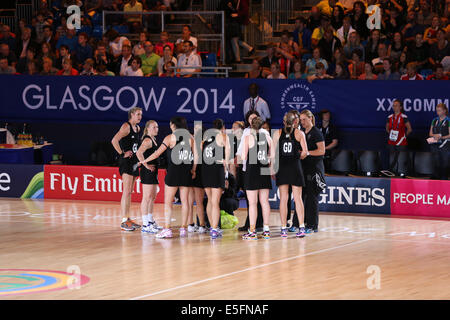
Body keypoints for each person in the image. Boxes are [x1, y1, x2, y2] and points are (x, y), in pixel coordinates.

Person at [139, 116, 196, 238]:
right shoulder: (190, 137)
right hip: (186, 171)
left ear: (173, 125)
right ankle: (183, 229)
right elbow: (196, 156)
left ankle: (167, 229)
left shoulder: (170, 138)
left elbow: (156, 153)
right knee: (185, 202)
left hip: (173, 172)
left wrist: (144, 161)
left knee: (168, 202)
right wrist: (194, 169)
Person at [273, 112, 309, 238]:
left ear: (284, 122)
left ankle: (283, 228)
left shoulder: (277, 133)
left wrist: (273, 168)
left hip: (282, 168)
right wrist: (297, 156)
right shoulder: (299, 134)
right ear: (295, 122)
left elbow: (272, 154)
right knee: (298, 198)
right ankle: (302, 227)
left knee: (283, 198)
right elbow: (305, 153)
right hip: (295, 167)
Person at [241, 116, 273, 240]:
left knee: (252, 203)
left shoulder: (248, 138)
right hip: (264, 169)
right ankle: (266, 230)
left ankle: (252, 231)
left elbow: (243, 156)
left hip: (252, 171)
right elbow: (272, 155)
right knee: (264, 202)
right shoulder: (268, 137)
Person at [111, 107, 143, 231]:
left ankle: (128, 218)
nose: (140, 117)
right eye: (138, 114)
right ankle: (124, 220)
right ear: (132, 115)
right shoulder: (126, 126)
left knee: (130, 191)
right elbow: (114, 140)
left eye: (141, 114)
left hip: (134, 162)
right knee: (126, 191)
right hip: (126, 162)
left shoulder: (138, 128)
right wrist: (121, 153)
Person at [236, 111, 266, 233]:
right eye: (250, 118)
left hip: (258, 168)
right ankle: (251, 223)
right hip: (247, 168)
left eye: (254, 117)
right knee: (251, 199)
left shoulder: (263, 132)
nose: (252, 120)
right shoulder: (246, 132)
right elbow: (241, 148)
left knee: (260, 199)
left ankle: (259, 224)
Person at [200, 119, 230, 239]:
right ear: (223, 127)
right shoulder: (223, 136)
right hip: (216, 168)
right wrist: (226, 163)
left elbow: (202, 153)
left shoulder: (206, 138)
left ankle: (211, 226)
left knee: (210, 200)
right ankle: (214, 228)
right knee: (215, 201)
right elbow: (227, 153)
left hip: (206, 169)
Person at [300, 109, 325, 233]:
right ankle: (303, 222)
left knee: (312, 198)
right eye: (301, 120)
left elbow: (322, 151)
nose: (302, 122)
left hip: (315, 169)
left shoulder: (316, 133)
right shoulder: (302, 132)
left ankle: (313, 225)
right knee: (303, 196)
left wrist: (308, 153)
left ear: (310, 118)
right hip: (304, 168)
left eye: (304, 119)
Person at [136, 120, 162, 234]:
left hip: (153, 171)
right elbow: (138, 153)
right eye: (154, 127)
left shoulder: (153, 140)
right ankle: (145, 224)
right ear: (147, 129)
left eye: (157, 127)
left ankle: (150, 221)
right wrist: (145, 165)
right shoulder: (147, 140)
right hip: (148, 172)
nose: (156, 129)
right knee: (146, 198)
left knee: (152, 197)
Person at [386, 100, 412, 176]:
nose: (395, 107)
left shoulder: (404, 117)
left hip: (401, 142)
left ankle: (401, 175)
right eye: (393, 105)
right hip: (392, 142)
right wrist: (391, 134)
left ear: (400, 107)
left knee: (401, 160)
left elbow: (409, 129)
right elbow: (387, 128)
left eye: (396, 105)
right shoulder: (390, 117)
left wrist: (403, 136)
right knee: (392, 160)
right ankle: (392, 175)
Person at [428, 103, 450, 180]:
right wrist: (434, 136)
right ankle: (436, 179)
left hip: (445, 145)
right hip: (435, 144)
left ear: (444, 111)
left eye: (440, 111)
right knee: (436, 163)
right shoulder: (434, 120)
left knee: (445, 163)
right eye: (437, 111)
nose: (438, 112)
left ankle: (444, 179)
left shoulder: (448, 120)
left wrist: (441, 137)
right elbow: (430, 133)